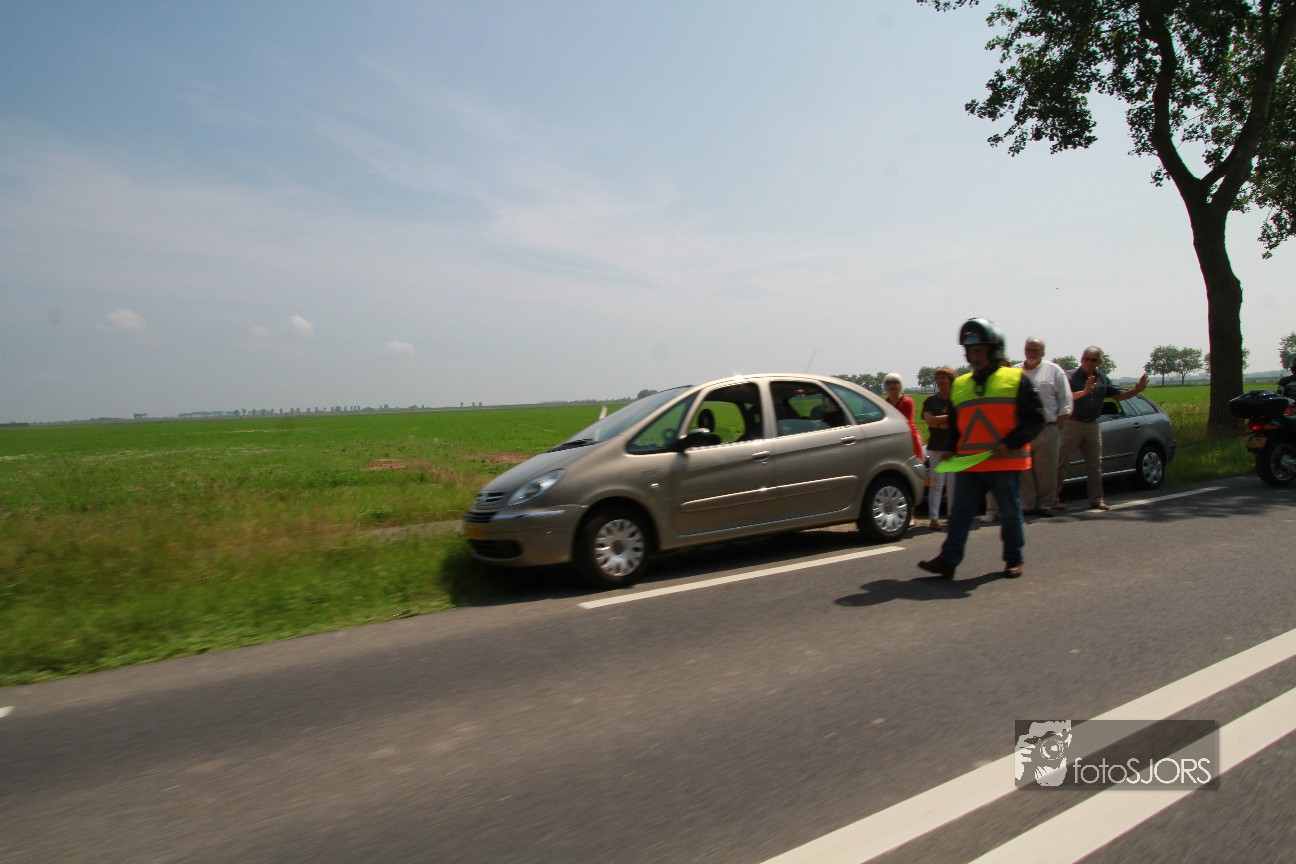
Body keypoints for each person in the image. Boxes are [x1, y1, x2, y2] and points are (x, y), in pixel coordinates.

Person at [918, 319, 1044, 579]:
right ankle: (948, 560)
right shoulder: (961, 384)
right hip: (969, 462)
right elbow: (956, 423)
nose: (974, 355)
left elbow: (1036, 418)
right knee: (959, 514)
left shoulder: (1015, 379)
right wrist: (951, 447)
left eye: (979, 349)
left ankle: (1013, 559)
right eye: (970, 350)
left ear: (994, 349)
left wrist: (1009, 444)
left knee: (1010, 513)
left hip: (1004, 461)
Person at [1054, 346, 1149, 511]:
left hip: (1092, 424)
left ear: (1099, 362)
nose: (1089, 362)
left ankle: (1097, 499)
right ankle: (1052, 499)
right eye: (1087, 359)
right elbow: (1064, 398)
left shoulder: (1102, 378)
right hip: (1072, 423)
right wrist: (1085, 391)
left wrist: (1136, 391)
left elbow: (1117, 395)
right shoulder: (1069, 377)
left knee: (1095, 464)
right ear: (1081, 359)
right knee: (1062, 463)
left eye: (1094, 360)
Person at [1015, 337, 1073, 516]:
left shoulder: (1054, 371)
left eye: (1036, 350)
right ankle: (1027, 504)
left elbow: (1065, 401)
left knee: (1047, 470)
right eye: (1029, 349)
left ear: (1043, 352)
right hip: (1023, 430)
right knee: (1024, 470)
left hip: (1047, 428)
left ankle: (1046, 505)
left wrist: (1058, 427)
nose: (1031, 353)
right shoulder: (1014, 372)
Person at [922, 366, 957, 530]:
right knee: (937, 483)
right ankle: (934, 518)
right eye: (937, 378)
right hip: (936, 445)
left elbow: (960, 421)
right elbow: (928, 420)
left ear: (951, 380)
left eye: (943, 377)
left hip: (954, 446)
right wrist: (949, 418)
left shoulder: (957, 399)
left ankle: (952, 516)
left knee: (953, 484)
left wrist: (938, 421)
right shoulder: (931, 401)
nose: (940, 381)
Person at [883, 373, 925, 461]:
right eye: (888, 383)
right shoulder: (884, 403)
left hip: (909, 438)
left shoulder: (908, 402)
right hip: (891, 439)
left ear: (900, 385)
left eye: (895, 382)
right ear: (885, 386)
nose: (892, 385)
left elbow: (907, 422)